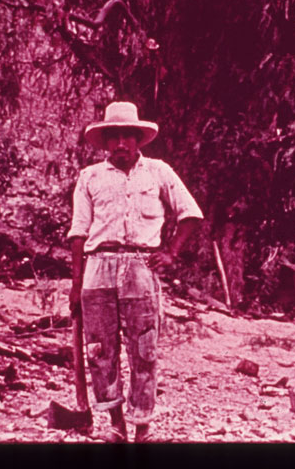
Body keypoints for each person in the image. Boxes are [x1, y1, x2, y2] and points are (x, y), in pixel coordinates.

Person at [67, 101, 203, 443]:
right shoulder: (90, 177)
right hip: (97, 267)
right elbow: (79, 232)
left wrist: (171, 252)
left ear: (139, 139)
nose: (122, 144)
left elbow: (190, 214)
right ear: (106, 141)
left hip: (141, 267)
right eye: (114, 137)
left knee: (144, 348)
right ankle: (115, 424)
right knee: (100, 350)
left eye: (128, 136)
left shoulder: (159, 172)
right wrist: (76, 283)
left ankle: (142, 425)